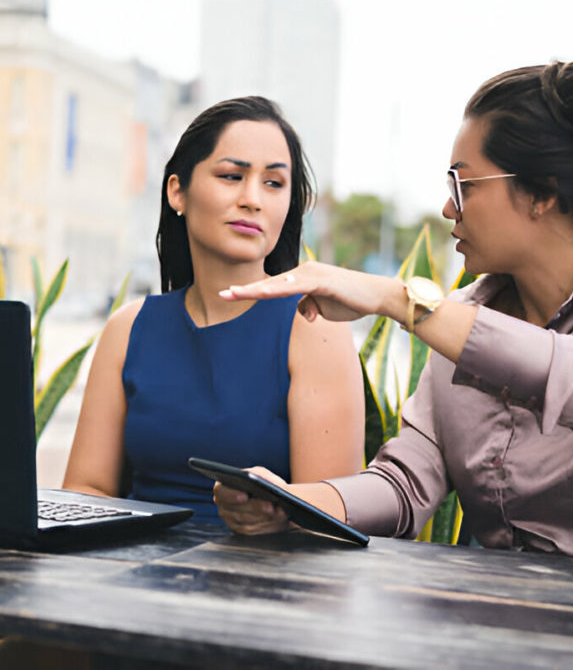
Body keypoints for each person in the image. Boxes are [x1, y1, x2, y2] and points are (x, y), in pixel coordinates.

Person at [213, 54, 573, 566]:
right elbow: (406, 484)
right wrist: (295, 503)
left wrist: (396, 299)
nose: (448, 208)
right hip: (496, 613)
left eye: (464, 184)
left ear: (543, 193)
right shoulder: (460, 314)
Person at [61, 96, 364, 521]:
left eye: (273, 183)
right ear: (177, 191)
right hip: (130, 574)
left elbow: (330, 521)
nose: (252, 199)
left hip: (263, 579)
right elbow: (86, 491)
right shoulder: (128, 329)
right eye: (231, 175)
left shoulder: (313, 328)